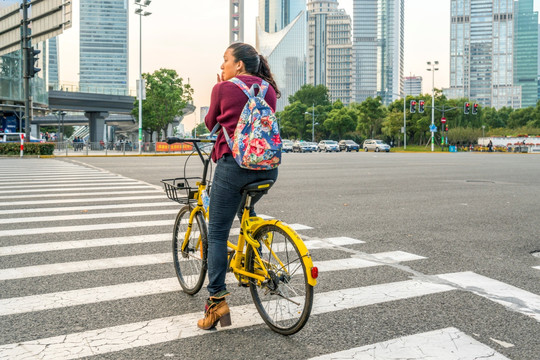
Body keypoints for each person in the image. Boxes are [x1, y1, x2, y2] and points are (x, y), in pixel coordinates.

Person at [198, 42, 280, 330]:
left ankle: (216, 302)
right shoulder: (269, 90)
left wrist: (219, 89)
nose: (222, 66)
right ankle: (254, 257)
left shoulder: (223, 88)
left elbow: (210, 123)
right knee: (245, 212)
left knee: (218, 234)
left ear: (239, 65)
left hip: (234, 167)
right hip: (268, 169)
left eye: (225, 60)